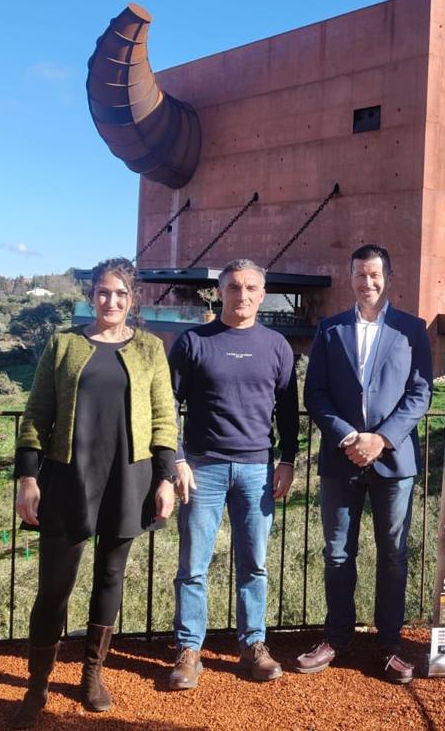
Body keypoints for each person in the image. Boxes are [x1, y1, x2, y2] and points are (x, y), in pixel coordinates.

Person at [11, 258, 177, 728]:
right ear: (92, 295)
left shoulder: (149, 348)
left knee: (110, 578)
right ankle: (38, 683)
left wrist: (165, 478)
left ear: (133, 299)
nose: (112, 301)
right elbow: (35, 415)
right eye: (104, 292)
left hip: (129, 479)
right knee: (54, 589)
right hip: (67, 479)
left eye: (121, 294)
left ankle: (91, 674)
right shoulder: (64, 344)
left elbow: (165, 419)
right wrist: (28, 477)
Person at [297, 244, 432, 684]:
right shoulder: (330, 329)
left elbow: (421, 393)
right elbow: (314, 393)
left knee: (393, 556)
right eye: (360, 275)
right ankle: (336, 637)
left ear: (387, 277)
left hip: (393, 461)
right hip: (342, 458)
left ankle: (389, 644)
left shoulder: (412, 329)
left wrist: (382, 439)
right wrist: (349, 436)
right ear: (351, 277)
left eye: (374, 275)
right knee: (337, 554)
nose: (367, 283)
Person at [167, 259, 298, 689]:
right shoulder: (193, 342)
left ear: (263, 294)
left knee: (254, 564)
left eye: (251, 288)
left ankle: (253, 645)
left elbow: (288, 412)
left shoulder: (278, 346)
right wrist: (178, 459)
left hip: (257, 469)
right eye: (234, 287)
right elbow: (168, 405)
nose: (242, 295)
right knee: (193, 565)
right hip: (202, 467)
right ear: (221, 291)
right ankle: (189, 651)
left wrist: (288, 459)